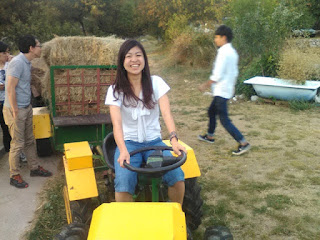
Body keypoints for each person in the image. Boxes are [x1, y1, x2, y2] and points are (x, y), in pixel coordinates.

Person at [105, 39, 186, 204]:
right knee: (124, 182)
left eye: (138, 55)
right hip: (129, 144)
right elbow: (117, 124)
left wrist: (174, 139)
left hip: (154, 143)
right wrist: (122, 150)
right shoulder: (115, 90)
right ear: (122, 62)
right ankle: (129, 223)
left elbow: (166, 113)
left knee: (176, 176)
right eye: (129, 56)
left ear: (144, 59)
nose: (134, 60)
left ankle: (175, 216)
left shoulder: (156, 83)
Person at [3, 35, 52, 188]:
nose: (40, 48)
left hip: (26, 107)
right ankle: (14, 174)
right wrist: (16, 110)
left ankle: (34, 168)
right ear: (31, 48)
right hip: (15, 109)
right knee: (18, 143)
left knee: (30, 141)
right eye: (39, 45)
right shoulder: (17, 63)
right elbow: (10, 87)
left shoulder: (26, 62)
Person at [198, 25, 250, 156]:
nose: (215, 40)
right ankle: (210, 136)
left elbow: (217, 74)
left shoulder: (223, 52)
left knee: (224, 119)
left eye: (217, 37)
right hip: (226, 89)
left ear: (223, 37)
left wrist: (205, 84)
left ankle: (243, 143)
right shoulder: (232, 52)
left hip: (222, 90)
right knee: (211, 111)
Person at [0, 41, 12, 152]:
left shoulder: (10, 65)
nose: (7, 55)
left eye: (8, 52)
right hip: (0, 102)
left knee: (12, 127)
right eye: (4, 53)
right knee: (4, 128)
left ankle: (17, 153)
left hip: (9, 101)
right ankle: (9, 151)